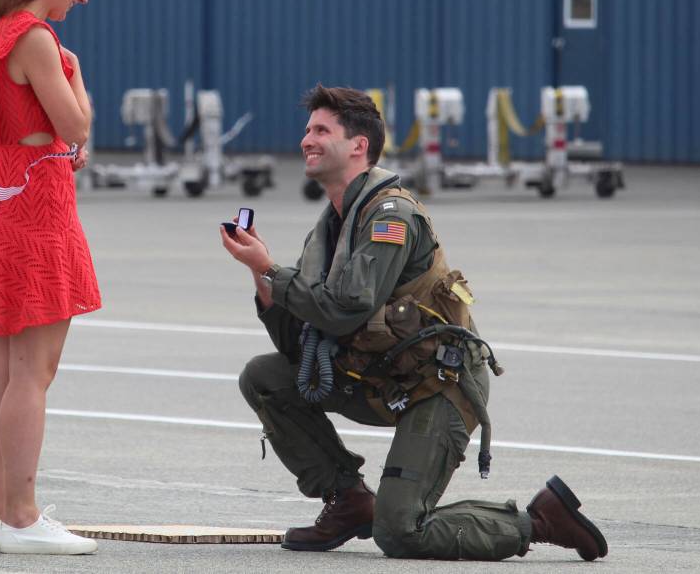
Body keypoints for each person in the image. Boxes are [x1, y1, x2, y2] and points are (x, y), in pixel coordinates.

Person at [220, 84, 608, 561]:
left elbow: (345, 309)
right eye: (307, 130)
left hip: (437, 386)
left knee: (402, 533)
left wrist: (271, 270)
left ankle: (540, 520)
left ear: (358, 146)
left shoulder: (391, 217)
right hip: (382, 377)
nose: (306, 140)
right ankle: (348, 499)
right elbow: (301, 344)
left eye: (321, 130)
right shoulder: (331, 227)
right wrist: (261, 274)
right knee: (264, 377)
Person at [0, 0, 103, 556]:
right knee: (33, 374)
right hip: (38, 206)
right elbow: (74, 128)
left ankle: (1, 514)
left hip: (1, 194)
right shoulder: (39, 38)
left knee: (4, 371)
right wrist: (74, 72)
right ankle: (22, 517)